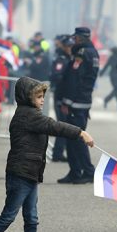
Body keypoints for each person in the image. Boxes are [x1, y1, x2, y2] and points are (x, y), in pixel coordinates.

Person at [0, 76, 94, 232]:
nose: (42, 100)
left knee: (31, 218)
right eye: (38, 96)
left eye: (43, 96)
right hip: (21, 174)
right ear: (27, 97)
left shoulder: (29, 114)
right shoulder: (28, 115)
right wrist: (80, 132)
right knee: (8, 216)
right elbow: (55, 126)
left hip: (31, 173)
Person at [57, 27, 99, 184]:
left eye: (75, 38)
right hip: (82, 100)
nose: (73, 41)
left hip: (76, 102)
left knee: (78, 138)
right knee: (71, 137)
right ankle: (75, 171)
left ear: (80, 38)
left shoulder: (82, 53)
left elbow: (74, 78)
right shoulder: (92, 52)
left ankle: (88, 171)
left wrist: (66, 101)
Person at [49, 34, 72, 162]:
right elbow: (56, 76)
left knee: (65, 125)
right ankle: (57, 153)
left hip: (66, 97)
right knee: (63, 125)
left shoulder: (71, 58)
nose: (70, 48)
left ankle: (59, 152)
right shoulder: (61, 59)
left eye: (71, 46)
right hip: (61, 97)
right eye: (68, 46)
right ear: (64, 47)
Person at [100, 46, 117, 110]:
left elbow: (106, 66)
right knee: (116, 90)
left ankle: (107, 100)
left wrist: (101, 73)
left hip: (113, 75)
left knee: (116, 90)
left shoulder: (113, 57)